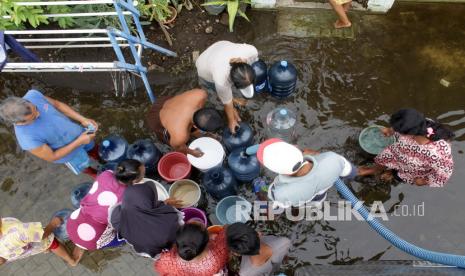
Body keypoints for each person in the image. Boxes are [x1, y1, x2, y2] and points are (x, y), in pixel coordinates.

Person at [0, 90, 99, 178]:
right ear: (19, 122)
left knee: (96, 151)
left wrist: (83, 119)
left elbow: (57, 105)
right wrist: (79, 142)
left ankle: (100, 159)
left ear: (26, 101)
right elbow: (53, 156)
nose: (38, 114)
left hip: (81, 134)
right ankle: (95, 174)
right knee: (84, 166)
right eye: (33, 118)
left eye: (36, 109)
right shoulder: (27, 139)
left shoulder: (33, 95)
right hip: (70, 155)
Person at [66, 159, 145, 263]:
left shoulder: (106, 174)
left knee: (87, 234)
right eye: (143, 174)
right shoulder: (129, 196)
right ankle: (85, 244)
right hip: (93, 239)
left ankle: (80, 244)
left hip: (72, 224)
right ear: (134, 181)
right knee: (119, 237)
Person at [358, 108, 455, 187]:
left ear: (410, 134)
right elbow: (403, 126)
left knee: (401, 174)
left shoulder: (439, 153)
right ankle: (374, 170)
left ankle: (393, 174)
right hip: (397, 152)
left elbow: (444, 174)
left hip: (413, 167)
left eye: (397, 130)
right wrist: (390, 130)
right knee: (385, 158)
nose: (395, 131)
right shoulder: (422, 123)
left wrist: (422, 181)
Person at [248, 138, 356, 208]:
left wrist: (262, 195)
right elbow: (351, 171)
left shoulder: (281, 193)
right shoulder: (332, 158)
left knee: (276, 200)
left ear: (280, 172)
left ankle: (260, 190)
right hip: (318, 197)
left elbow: (278, 202)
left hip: (297, 198)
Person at [196, 41, 258, 133]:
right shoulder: (221, 79)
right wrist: (232, 121)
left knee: (226, 96)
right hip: (204, 66)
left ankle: (233, 100)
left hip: (220, 47)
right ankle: (233, 100)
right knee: (221, 94)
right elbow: (226, 104)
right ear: (233, 82)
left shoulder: (252, 52)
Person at [109, 182, 184, 258]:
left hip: (140, 244)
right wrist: (166, 206)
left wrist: (164, 203)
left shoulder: (117, 216)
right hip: (156, 245)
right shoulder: (168, 223)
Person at [146, 89, 224, 157]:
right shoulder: (180, 136)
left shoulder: (200, 95)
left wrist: (203, 134)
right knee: (171, 140)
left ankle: (200, 134)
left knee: (187, 126)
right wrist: (192, 152)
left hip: (165, 102)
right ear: (195, 126)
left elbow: (193, 122)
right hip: (157, 118)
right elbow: (177, 147)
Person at [154, 222, 229, 275]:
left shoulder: (166, 260)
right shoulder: (217, 257)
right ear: (207, 243)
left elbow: (159, 268)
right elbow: (226, 233)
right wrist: (226, 227)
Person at [0, 216, 77, 266]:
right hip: (35, 240)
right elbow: (42, 235)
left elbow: (1, 260)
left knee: (37, 247)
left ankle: (45, 249)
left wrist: (3, 259)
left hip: (21, 250)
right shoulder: (18, 232)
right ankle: (71, 260)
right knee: (52, 243)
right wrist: (53, 224)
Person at [226, 222, 291, 276]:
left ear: (237, 254)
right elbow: (285, 259)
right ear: (258, 233)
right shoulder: (285, 242)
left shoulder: (245, 273)